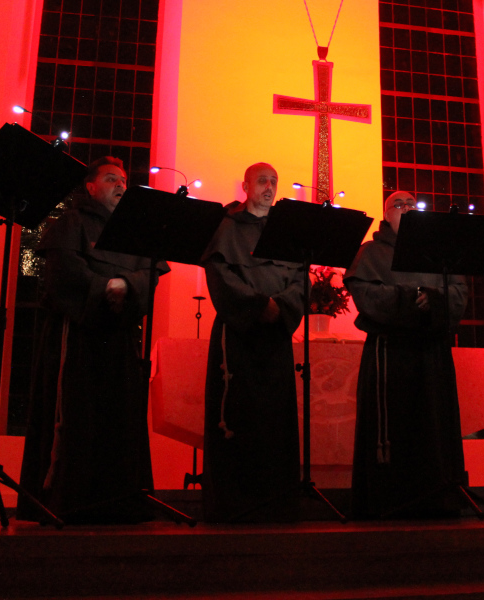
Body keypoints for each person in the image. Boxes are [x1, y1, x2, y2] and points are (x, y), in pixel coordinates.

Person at [18, 157, 165, 523]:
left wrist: (127, 285)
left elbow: (148, 274)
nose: (120, 185)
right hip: (78, 337)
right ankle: (69, 500)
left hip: (119, 339)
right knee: (76, 417)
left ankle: (116, 502)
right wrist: (107, 287)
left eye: (124, 180)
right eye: (111, 178)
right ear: (90, 186)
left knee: (119, 421)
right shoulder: (70, 223)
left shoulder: (134, 227)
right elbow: (64, 273)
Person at [346, 191, 469, 518]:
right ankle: (389, 501)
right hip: (390, 353)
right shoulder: (371, 252)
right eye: (398, 204)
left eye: (412, 204)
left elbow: (458, 293)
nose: (406, 208)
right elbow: (366, 294)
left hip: (432, 354)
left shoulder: (439, 250)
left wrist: (433, 300)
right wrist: (411, 300)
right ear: (385, 215)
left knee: (433, 427)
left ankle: (437, 499)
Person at [201, 163, 306, 521]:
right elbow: (220, 273)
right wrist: (260, 305)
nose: (269, 186)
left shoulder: (288, 229)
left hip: (276, 338)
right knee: (238, 417)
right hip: (239, 335)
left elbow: (299, 278)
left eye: (274, 181)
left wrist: (283, 307)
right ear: (245, 185)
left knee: (275, 421)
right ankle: (236, 503)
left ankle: (277, 502)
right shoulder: (226, 227)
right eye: (262, 180)